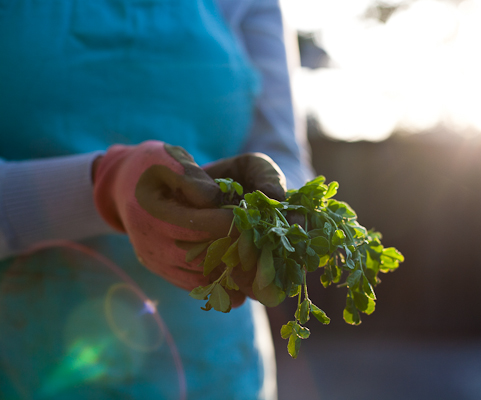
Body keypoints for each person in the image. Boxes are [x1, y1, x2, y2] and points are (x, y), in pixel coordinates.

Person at [0, 0, 313, 399]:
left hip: (214, 372)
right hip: (24, 367)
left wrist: (275, 210)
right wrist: (104, 187)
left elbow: (283, 154)